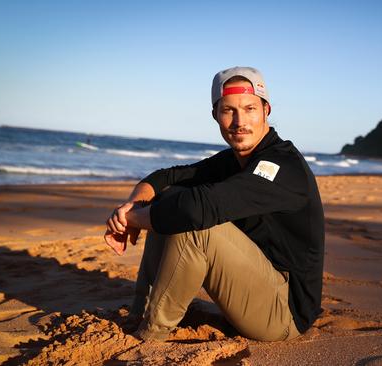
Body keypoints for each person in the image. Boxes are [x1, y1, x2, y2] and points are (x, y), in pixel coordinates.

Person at [104, 66, 325, 342]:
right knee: (172, 198)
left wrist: (135, 220)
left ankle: (149, 338)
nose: (239, 121)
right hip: (255, 286)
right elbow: (166, 178)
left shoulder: (282, 166)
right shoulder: (234, 160)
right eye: (228, 110)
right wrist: (131, 208)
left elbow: (196, 209)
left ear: (266, 110)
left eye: (249, 109)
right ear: (215, 115)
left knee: (196, 223)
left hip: (284, 313)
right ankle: (140, 311)